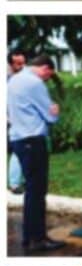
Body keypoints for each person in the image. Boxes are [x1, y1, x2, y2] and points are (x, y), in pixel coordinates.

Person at [8, 56, 64, 253]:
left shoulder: (13, 79)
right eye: (49, 73)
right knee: (37, 192)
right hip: (33, 139)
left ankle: (28, 237)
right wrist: (55, 112)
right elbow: (50, 115)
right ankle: (38, 240)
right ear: (44, 68)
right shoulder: (35, 83)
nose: (49, 78)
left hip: (18, 139)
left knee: (31, 191)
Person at [7, 50, 26, 194]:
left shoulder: (22, 76)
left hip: (20, 117)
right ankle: (14, 183)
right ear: (11, 63)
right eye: (18, 63)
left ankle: (22, 179)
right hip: (11, 119)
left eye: (23, 63)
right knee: (18, 150)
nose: (22, 66)